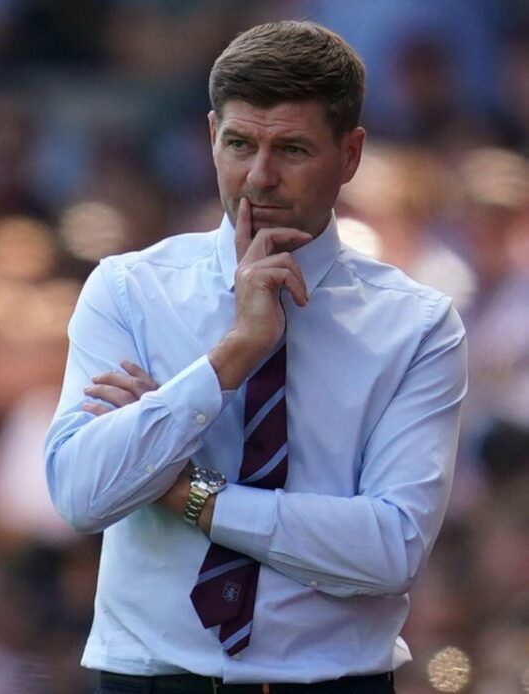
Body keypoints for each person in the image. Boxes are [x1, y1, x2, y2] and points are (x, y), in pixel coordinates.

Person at [44, 21, 467, 694]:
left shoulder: (416, 325)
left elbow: (392, 549)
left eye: (292, 149)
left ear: (350, 154)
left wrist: (190, 494)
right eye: (239, 144)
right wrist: (232, 355)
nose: (258, 178)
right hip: (151, 679)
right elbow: (80, 494)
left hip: (334, 683)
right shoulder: (129, 288)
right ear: (212, 135)